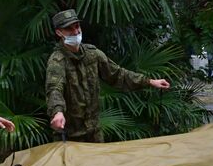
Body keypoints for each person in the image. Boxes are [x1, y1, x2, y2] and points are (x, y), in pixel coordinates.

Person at [44, 8, 171, 142]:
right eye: (69, 29)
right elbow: (54, 88)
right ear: (59, 32)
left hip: (94, 132)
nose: (76, 32)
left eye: (77, 26)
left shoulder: (92, 54)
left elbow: (118, 74)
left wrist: (149, 81)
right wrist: (57, 112)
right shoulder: (57, 61)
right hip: (70, 136)